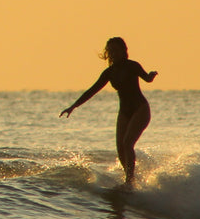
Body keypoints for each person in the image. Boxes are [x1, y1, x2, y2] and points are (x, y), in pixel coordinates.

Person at [60, 37, 158, 187]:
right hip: (124, 112)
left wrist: (151, 75)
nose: (113, 54)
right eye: (110, 51)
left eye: (116, 50)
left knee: (127, 143)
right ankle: (131, 179)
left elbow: (147, 78)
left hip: (140, 109)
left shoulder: (132, 66)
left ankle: (129, 181)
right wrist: (74, 106)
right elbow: (92, 90)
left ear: (124, 51)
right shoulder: (109, 72)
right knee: (120, 149)